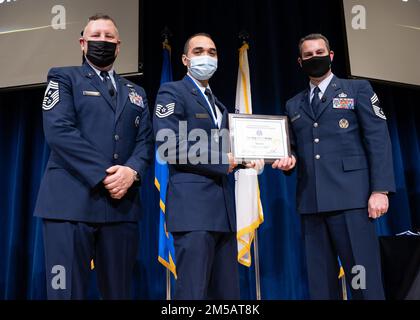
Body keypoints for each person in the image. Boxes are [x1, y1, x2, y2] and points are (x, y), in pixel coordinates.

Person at [34, 14, 153, 299]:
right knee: (65, 292)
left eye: (109, 36)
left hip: (120, 207)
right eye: (96, 35)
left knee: (119, 293)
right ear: (82, 42)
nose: (103, 41)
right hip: (69, 205)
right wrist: (108, 174)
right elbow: (60, 132)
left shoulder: (137, 92)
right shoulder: (63, 77)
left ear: (119, 45)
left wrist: (132, 172)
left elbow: (146, 140)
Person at [273, 33, 395, 300]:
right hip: (312, 203)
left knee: (363, 281)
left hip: (352, 201)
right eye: (308, 55)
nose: (314, 58)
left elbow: (377, 138)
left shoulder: (357, 90)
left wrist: (381, 190)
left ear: (330, 56)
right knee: (321, 286)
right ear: (299, 61)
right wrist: (287, 160)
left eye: (319, 53)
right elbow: (292, 149)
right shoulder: (293, 103)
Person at [153, 33, 262, 300]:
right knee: (192, 294)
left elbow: (227, 153)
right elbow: (169, 146)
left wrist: (250, 158)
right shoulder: (172, 92)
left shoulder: (219, 105)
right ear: (185, 59)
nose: (206, 57)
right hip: (193, 212)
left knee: (226, 296)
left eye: (212, 52)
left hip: (223, 213)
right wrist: (226, 160)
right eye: (199, 51)